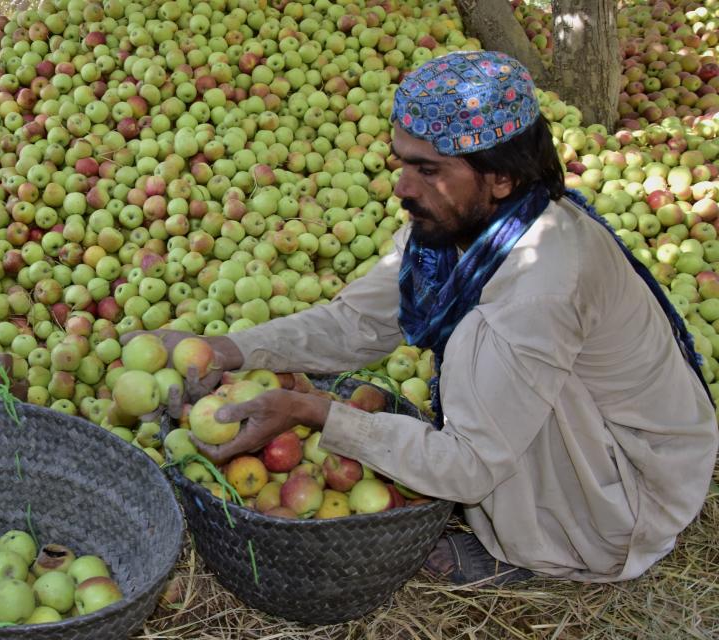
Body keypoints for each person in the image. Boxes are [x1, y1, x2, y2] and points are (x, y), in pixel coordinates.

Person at [131, 51, 719, 585]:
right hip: (588, 421)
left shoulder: (542, 282)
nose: (402, 188)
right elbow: (357, 323)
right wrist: (229, 350)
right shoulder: (457, 229)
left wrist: (315, 411)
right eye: (402, 163)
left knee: (473, 350)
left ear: (501, 176)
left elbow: (466, 465)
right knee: (480, 362)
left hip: (630, 485)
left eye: (429, 170)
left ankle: (544, 550)